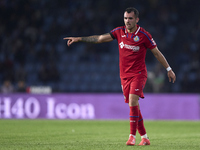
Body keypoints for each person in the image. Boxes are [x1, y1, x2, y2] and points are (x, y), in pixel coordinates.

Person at [63, 7, 176, 146]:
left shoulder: (144, 35)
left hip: (139, 74)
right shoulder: (119, 32)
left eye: (130, 18)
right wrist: (79, 38)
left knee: (133, 101)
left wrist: (169, 69)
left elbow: (157, 53)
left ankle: (131, 137)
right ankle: (145, 138)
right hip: (124, 76)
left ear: (136, 20)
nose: (127, 21)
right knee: (133, 104)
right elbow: (99, 38)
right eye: (125, 18)